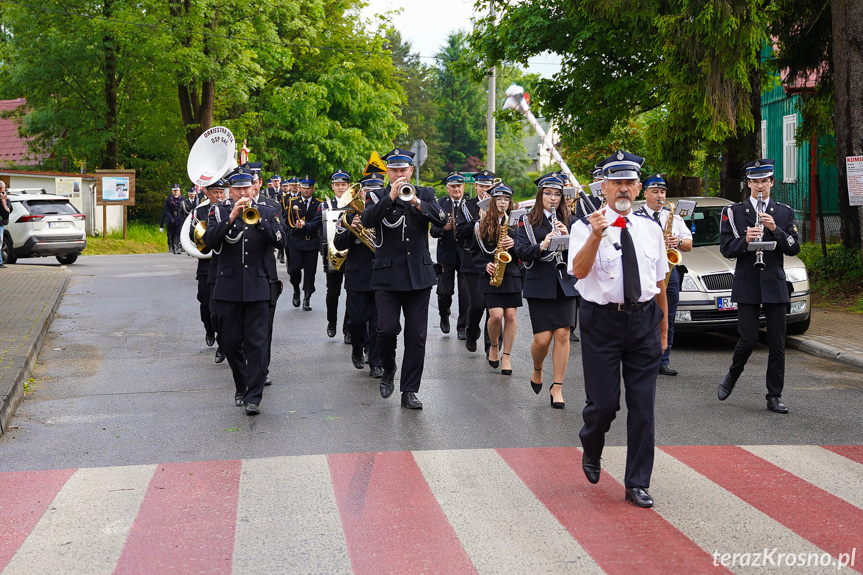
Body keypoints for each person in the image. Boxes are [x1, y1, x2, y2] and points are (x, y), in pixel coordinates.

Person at [568, 149, 668, 508]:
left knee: (643, 406)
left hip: (643, 322)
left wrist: (663, 330)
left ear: (638, 187)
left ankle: (637, 482)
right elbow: (579, 272)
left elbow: (659, 282)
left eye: (629, 182)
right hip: (602, 323)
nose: (623, 189)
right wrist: (596, 236)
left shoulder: (650, 228)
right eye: (617, 183)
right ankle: (591, 444)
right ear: (604, 188)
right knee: (605, 405)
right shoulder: (584, 227)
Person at [361, 148, 445, 409]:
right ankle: (388, 367)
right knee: (385, 330)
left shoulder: (426, 193)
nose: (399, 174)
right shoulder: (376, 195)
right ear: (388, 171)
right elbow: (367, 219)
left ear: (411, 170)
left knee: (416, 336)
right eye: (394, 170)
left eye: (403, 170)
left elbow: (441, 220)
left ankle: (409, 390)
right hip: (387, 275)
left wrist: (417, 202)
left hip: (419, 276)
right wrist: (392, 198)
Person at [718, 159, 800, 414]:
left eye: (765, 181)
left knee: (777, 342)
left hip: (774, 283)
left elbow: (794, 247)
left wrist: (775, 230)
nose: (760, 186)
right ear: (749, 184)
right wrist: (746, 239)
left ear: (772, 182)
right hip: (747, 283)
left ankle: (774, 395)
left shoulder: (784, 212)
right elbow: (726, 249)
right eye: (755, 182)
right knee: (749, 338)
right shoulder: (733, 212)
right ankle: (732, 375)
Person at [203, 170, 286, 415]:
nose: (241, 192)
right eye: (237, 188)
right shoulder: (218, 211)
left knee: (257, 343)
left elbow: (281, 241)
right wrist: (231, 218)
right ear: (230, 190)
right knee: (228, 341)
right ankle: (242, 383)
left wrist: (259, 221)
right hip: (227, 287)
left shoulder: (269, 211)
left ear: (253, 188)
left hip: (258, 287)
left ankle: (254, 396)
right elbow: (208, 240)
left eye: (245, 188)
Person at [516, 172, 578, 408]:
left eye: (557, 194)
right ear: (540, 195)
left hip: (565, 283)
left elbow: (582, 254)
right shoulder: (527, 222)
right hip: (539, 282)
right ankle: (537, 369)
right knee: (542, 340)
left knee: (562, 334)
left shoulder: (571, 221)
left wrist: (567, 238)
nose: (553, 198)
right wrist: (542, 245)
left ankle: (558, 387)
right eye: (548, 193)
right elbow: (521, 252)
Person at [635, 174, 692, 376]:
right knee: (644, 314)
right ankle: (643, 356)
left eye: (663, 192)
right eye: (655, 192)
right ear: (646, 193)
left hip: (670, 271)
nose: (660, 196)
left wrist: (676, 242)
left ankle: (663, 359)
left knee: (668, 315)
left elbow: (688, 244)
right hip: (646, 272)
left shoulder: (673, 218)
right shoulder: (637, 217)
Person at [333, 174, 383, 378]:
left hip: (380, 274)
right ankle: (357, 348)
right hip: (357, 276)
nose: (370, 193)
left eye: (375, 189)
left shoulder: (385, 213)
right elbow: (338, 244)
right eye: (367, 190)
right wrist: (351, 229)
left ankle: (375, 361)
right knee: (357, 320)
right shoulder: (346, 215)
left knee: (378, 321)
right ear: (361, 192)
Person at [471, 184, 522, 376]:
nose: (503, 203)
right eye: (499, 199)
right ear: (492, 202)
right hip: (491, 274)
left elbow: (525, 250)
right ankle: (494, 346)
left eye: (506, 199)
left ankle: (506, 356)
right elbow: (473, 253)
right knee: (496, 316)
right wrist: (484, 265)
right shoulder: (481, 224)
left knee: (510, 316)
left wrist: (515, 243)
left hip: (512, 274)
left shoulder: (517, 223)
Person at [457, 169, 502, 354]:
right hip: (472, 260)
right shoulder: (467, 206)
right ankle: (470, 330)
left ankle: (491, 345)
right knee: (477, 303)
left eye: (489, 186)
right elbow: (460, 233)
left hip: (494, 260)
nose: (485, 189)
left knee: (493, 307)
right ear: (476, 186)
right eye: (482, 186)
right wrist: (479, 220)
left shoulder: (500, 203)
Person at [430, 172, 470, 338]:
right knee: (444, 292)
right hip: (446, 254)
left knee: (466, 294)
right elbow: (433, 231)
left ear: (463, 187)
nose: (456, 189)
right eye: (453, 186)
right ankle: (444, 315)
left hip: (466, 255)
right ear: (447, 188)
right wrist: (443, 229)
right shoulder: (440, 205)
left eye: (459, 186)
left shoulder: (469, 205)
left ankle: (462, 327)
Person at [190, 179, 226, 348]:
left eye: (221, 192)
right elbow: (193, 234)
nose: (219, 196)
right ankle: (209, 330)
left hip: (224, 261)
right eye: (215, 193)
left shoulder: (229, 208)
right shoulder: (200, 211)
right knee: (205, 301)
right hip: (206, 261)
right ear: (207, 192)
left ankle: (223, 341)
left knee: (221, 305)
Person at [323, 169, 352, 340]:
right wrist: (303, 226)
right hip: (332, 255)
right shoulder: (324, 205)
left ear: (348, 186)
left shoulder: (354, 204)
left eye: (343, 184)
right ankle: (331, 321)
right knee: (333, 293)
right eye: (337, 185)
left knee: (352, 293)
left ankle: (348, 329)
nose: (340, 188)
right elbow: (315, 226)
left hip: (352, 256)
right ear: (332, 186)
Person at [286, 175, 322, 310]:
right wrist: (295, 225)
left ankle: (307, 297)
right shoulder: (292, 202)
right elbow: (287, 219)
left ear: (313, 189)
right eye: (304, 188)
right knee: (294, 269)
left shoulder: (319, 203)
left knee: (310, 271)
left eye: (309, 188)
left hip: (311, 241)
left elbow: (319, 223)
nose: (306, 190)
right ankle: (296, 289)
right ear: (300, 188)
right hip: (296, 240)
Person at [160, 184, 186, 254]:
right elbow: (166, 210)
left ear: (179, 191)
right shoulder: (169, 200)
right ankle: (172, 247)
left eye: (177, 190)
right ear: (172, 191)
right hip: (171, 220)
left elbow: (185, 210)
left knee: (178, 233)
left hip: (179, 220)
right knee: (171, 234)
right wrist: (170, 218)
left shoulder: (183, 199)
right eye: (174, 191)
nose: (176, 192)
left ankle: (177, 247)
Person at [0, 181, 9, 268]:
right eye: (3, 190)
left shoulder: (6, 200)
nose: (4, 192)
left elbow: (6, 214)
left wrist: (4, 202)